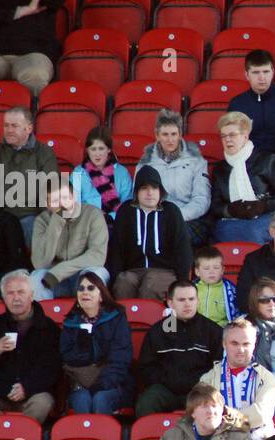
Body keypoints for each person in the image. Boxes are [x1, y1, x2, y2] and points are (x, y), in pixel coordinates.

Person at [0, 269, 62, 422]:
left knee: (41, 404)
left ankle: (23, 439)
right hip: (0, 392)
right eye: (10, 293)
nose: (16, 298)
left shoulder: (48, 328)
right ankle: (4, 436)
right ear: (3, 298)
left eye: (21, 292)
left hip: (35, 392)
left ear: (31, 295)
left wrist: (27, 387)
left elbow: (53, 368)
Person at [135, 279, 223, 416]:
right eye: (181, 300)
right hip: (166, 390)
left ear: (197, 300)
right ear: (170, 303)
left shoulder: (213, 331)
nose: (187, 304)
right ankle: (151, 437)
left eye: (191, 299)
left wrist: (199, 382)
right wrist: (170, 381)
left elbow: (219, 366)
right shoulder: (157, 331)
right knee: (148, 401)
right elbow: (146, 368)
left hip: (200, 389)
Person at [209, 111, 275, 245]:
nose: (227, 140)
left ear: (245, 136)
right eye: (223, 136)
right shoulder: (220, 169)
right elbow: (216, 205)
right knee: (223, 231)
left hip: (266, 215)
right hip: (232, 219)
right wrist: (231, 209)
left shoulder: (265, 161)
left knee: (253, 231)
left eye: (232, 135)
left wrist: (262, 205)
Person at [0, 106, 61, 244]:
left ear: (28, 129)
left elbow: (50, 190)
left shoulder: (44, 154)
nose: (9, 130)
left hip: (31, 216)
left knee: (33, 227)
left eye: (14, 126)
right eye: (6, 125)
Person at [107, 165, 192, 302]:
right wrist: (116, 276)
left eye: (154, 188)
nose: (150, 193)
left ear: (160, 191)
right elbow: (116, 249)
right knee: (123, 282)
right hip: (133, 271)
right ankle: (126, 323)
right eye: (144, 188)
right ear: (137, 192)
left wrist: (182, 283)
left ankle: (148, 323)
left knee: (150, 285)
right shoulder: (126, 211)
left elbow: (183, 249)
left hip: (164, 272)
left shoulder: (171, 212)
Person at [60, 270, 134, 415]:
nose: (84, 292)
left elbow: (120, 358)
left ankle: (105, 437)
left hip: (113, 383)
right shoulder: (70, 323)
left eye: (91, 288)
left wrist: (101, 384)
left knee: (100, 398)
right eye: (81, 289)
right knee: (82, 399)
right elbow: (67, 357)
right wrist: (87, 346)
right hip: (80, 382)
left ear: (101, 295)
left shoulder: (117, 318)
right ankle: (83, 437)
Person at [137, 109, 211, 246]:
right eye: (165, 134)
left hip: (188, 219)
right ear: (157, 135)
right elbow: (138, 196)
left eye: (174, 134)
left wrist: (176, 215)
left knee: (175, 235)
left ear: (180, 135)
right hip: (154, 216)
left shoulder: (196, 161)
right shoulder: (145, 163)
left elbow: (201, 199)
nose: (170, 140)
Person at [228, 49, 275, 182]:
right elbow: (232, 140)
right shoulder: (237, 104)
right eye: (256, 72)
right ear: (247, 75)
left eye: (266, 72)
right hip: (250, 160)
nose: (262, 77)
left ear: (273, 72)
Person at [198, 318, 275, 440]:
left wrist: (226, 419)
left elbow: (261, 414)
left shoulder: (266, 378)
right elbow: (204, 416)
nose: (241, 350)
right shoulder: (207, 379)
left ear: (254, 344)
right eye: (234, 343)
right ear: (224, 344)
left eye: (246, 344)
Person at [30, 180, 110, 300]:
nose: (62, 204)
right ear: (47, 204)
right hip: (52, 279)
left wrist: (60, 271)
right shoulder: (42, 221)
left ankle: (90, 318)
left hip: (80, 274)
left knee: (96, 273)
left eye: (66, 198)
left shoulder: (93, 214)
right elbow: (39, 263)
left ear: (74, 198)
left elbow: (97, 256)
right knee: (35, 278)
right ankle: (45, 317)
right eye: (55, 201)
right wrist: (56, 222)